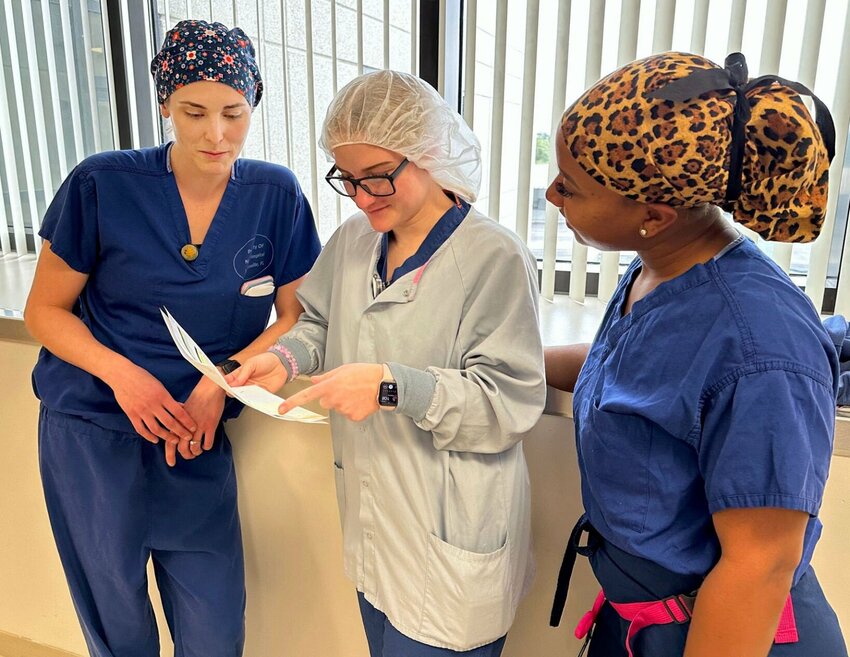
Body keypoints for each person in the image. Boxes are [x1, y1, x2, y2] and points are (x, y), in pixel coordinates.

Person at [24, 19, 320, 657]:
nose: (217, 134)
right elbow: (45, 312)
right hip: (93, 425)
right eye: (194, 112)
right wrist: (124, 377)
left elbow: (298, 316)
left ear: (252, 106)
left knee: (213, 619)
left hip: (197, 429)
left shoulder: (276, 195)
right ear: (164, 104)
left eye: (233, 113)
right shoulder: (102, 183)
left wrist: (223, 383)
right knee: (116, 613)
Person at [227, 70, 546, 656]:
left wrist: (391, 388)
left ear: (428, 153)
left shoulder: (493, 257)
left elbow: (508, 402)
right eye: (347, 179)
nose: (362, 196)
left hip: (451, 541)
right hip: (377, 526)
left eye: (377, 177)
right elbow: (320, 322)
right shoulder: (354, 240)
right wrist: (281, 358)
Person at [545, 51, 847, 657]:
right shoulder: (660, 267)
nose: (551, 194)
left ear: (653, 214)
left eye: (570, 188)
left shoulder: (760, 345)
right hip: (642, 617)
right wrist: (504, 359)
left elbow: (759, 565)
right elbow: (633, 370)